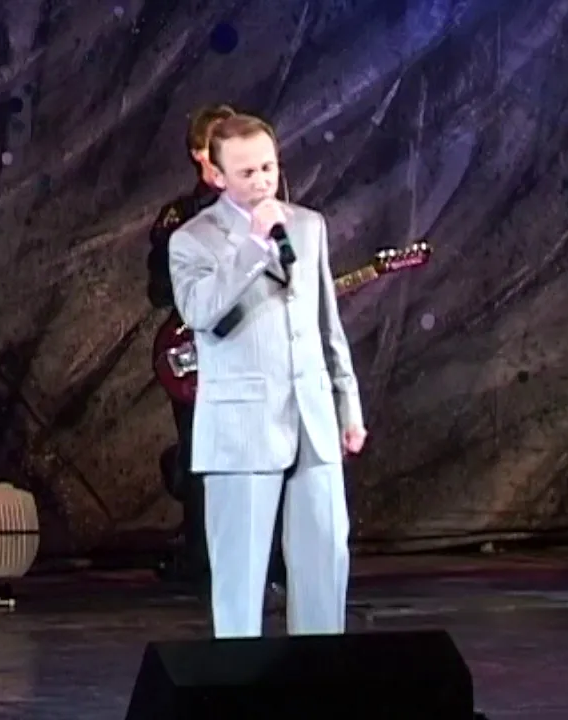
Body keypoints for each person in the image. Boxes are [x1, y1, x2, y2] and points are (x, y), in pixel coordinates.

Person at [167, 113, 367, 638]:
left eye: (268, 168)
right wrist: (254, 247)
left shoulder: (308, 225)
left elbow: (326, 323)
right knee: (241, 575)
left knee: (326, 558)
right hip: (243, 427)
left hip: (312, 416)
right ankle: (238, 676)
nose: (261, 181)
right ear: (217, 176)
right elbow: (199, 310)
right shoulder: (193, 239)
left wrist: (347, 405)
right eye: (247, 172)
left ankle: (319, 671)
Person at [147, 106, 288, 606]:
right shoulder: (183, 220)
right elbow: (163, 290)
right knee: (202, 457)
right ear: (201, 157)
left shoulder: (273, 215)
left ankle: (270, 564)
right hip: (202, 350)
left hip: (256, 352)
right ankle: (204, 560)